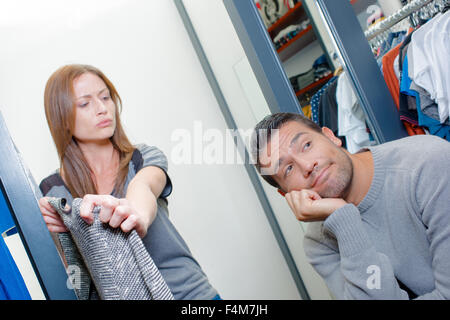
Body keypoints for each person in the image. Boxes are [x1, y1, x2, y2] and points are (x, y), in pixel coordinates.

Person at [38, 64, 219, 300]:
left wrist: (135, 215)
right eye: (85, 103)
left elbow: (143, 188)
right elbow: (78, 278)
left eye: (106, 97)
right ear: (61, 118)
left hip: (189, 296)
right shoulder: (54, 190)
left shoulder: (142, 157)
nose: (102, 108)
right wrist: (62, 238)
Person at [251, 112, 450, 299]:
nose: (307, 166)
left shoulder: (427, 162)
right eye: (288, 169)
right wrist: (343, 218)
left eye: (306, 145)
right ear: (286, 195)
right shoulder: (318, 244)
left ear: (330, 136)